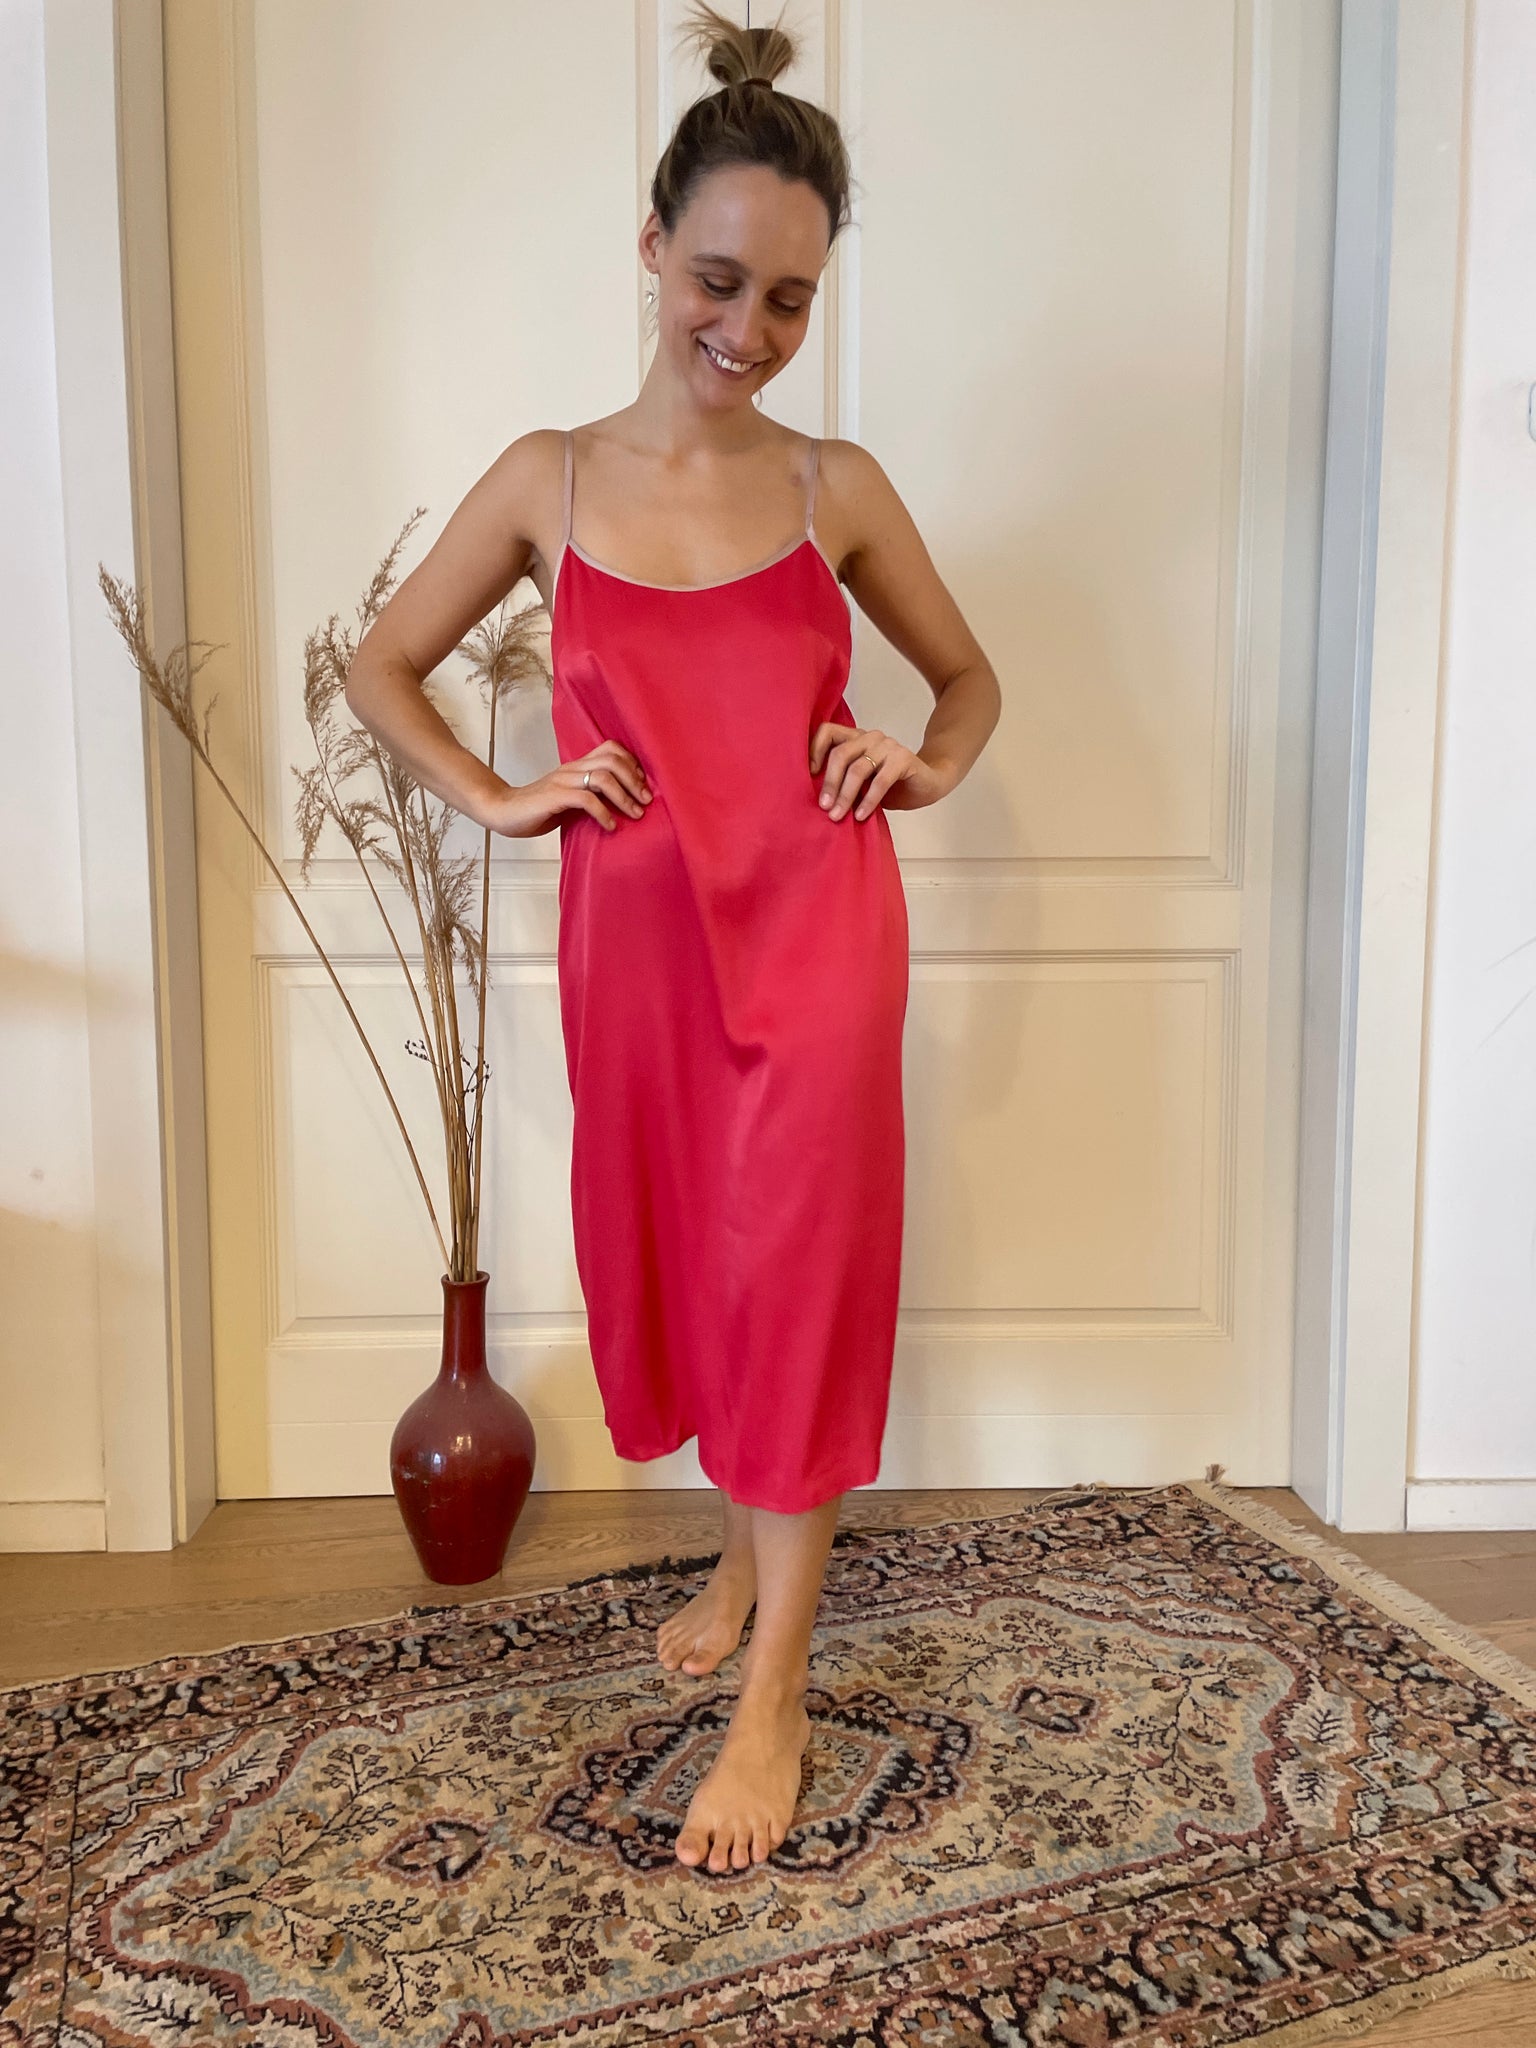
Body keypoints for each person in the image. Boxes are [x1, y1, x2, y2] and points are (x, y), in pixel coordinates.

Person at [344, 0, 1000, 1876]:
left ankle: (773, 1690)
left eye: (791, 299)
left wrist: (921, 762)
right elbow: (383, 665)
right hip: (638, 960)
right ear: (649, 247)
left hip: (820, 941)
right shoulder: (547, 478)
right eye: (719, 281)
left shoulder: (833, 486)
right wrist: (499, 795)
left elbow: (969, 682)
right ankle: (737, 1556)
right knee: (700, 1269)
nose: (750, 329)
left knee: (796, 1277)